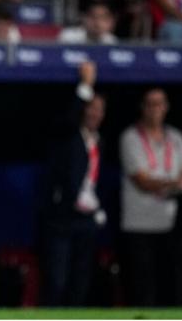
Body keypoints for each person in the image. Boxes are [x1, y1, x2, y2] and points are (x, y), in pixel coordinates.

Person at [119, 88, 182, 306]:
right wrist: (178, 183)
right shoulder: (131, 137)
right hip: (139, 224)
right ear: (143, 107)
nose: (155, 109)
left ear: (166, 107)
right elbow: (142, 181)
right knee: (143, 290)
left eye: (160, 103)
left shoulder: (176, 137)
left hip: (171, 224)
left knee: (171, 287)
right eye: (150, 104)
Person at [40, 61, 107, 306]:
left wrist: (98, 208)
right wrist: (86, 85)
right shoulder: (68, 136)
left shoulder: (99, 142)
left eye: (100, 109)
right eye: (91, 108)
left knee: (81, 280)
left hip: (87, 220)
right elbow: (71, 118)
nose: (95, 113)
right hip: (62, 218)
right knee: (57, 279)